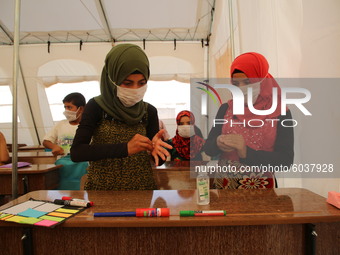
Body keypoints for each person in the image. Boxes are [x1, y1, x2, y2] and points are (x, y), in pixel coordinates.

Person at [71, 44, 172, 191]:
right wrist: (125, 148)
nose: (135, 89)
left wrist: (156, 150)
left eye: (141, 83)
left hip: (141, 190)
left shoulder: (148, 111)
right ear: (111, 79)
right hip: (102, 190)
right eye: (127, 83)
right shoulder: (96, 106)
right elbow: (77, 152)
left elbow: (159, 161)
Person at [204, 52, 294, 189]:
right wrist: (217, 143)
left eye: (247, 82)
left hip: (261, 190)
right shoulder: (226, 109)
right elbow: (208, 148)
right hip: (224, 188)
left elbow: (285, 160)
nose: (241, 88)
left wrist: (246, 152)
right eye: (235, 83)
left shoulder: (280, 113)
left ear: (262, 81)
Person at [43, 92, 88, 190]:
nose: (66, 110)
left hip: (82, 166)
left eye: (70, 107)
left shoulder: (87, 126)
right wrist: (54, 146)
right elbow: (46, 141)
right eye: (65, 107)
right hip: (63, 166)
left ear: (81, 109)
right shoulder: (60, 125)